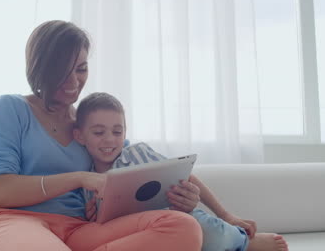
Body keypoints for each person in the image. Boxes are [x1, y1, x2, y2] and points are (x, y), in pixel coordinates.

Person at [0, 20, 203, 251]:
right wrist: (79, 178)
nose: (74, 82)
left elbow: (139, 173)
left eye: (81, 69)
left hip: (79, 230)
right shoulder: (12, 108)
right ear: (40, 68)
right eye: (63, 72)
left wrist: (182, 194)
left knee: (183, 227)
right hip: (13, 221)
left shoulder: (88, 125)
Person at [73, 92, 289, 251]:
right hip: (145, 234)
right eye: (99, 132)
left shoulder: (135, 154)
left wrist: (225, 214)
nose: (110, 139)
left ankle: (246, 242)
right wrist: (95, 216)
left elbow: (187, 177)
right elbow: (100, 226)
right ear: (80, 136)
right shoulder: (87, 180)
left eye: (117, 131)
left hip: (178, 218)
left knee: (208, 232)